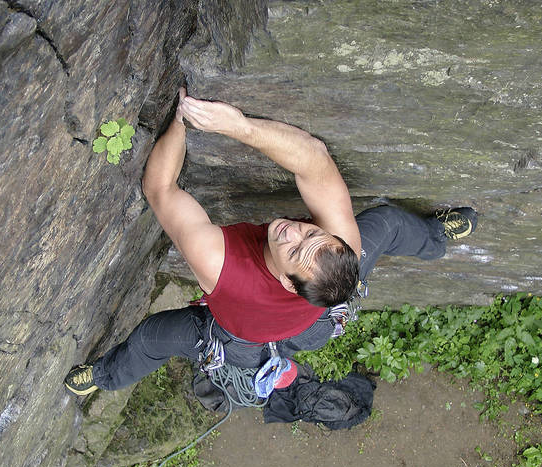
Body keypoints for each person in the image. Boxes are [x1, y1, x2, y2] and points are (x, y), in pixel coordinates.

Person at [64, 89, 477, 395]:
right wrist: (238, 126)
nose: (293, 231)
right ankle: (436, 237)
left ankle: (102, 378)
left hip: (241, 339)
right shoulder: (340, 248)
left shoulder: (220, 266)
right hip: (314, 326)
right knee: (385, 223)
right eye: (311, 233)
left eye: (295, 250)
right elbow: (313, 157)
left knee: (152, 338)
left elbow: (160, 190)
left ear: (287, 284)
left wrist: (179, 122)